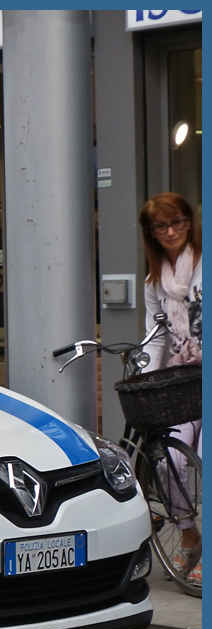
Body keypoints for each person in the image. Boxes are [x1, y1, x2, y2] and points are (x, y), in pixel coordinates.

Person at [139, 191, 202, 587]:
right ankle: (188, 533)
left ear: (189, 222)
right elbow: (157, 336)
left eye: (177, 221)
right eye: (161, 226)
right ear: (151, 233)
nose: (171, 231)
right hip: (182, 382)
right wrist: (145, 369)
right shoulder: (154, 281)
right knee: (169, 461)